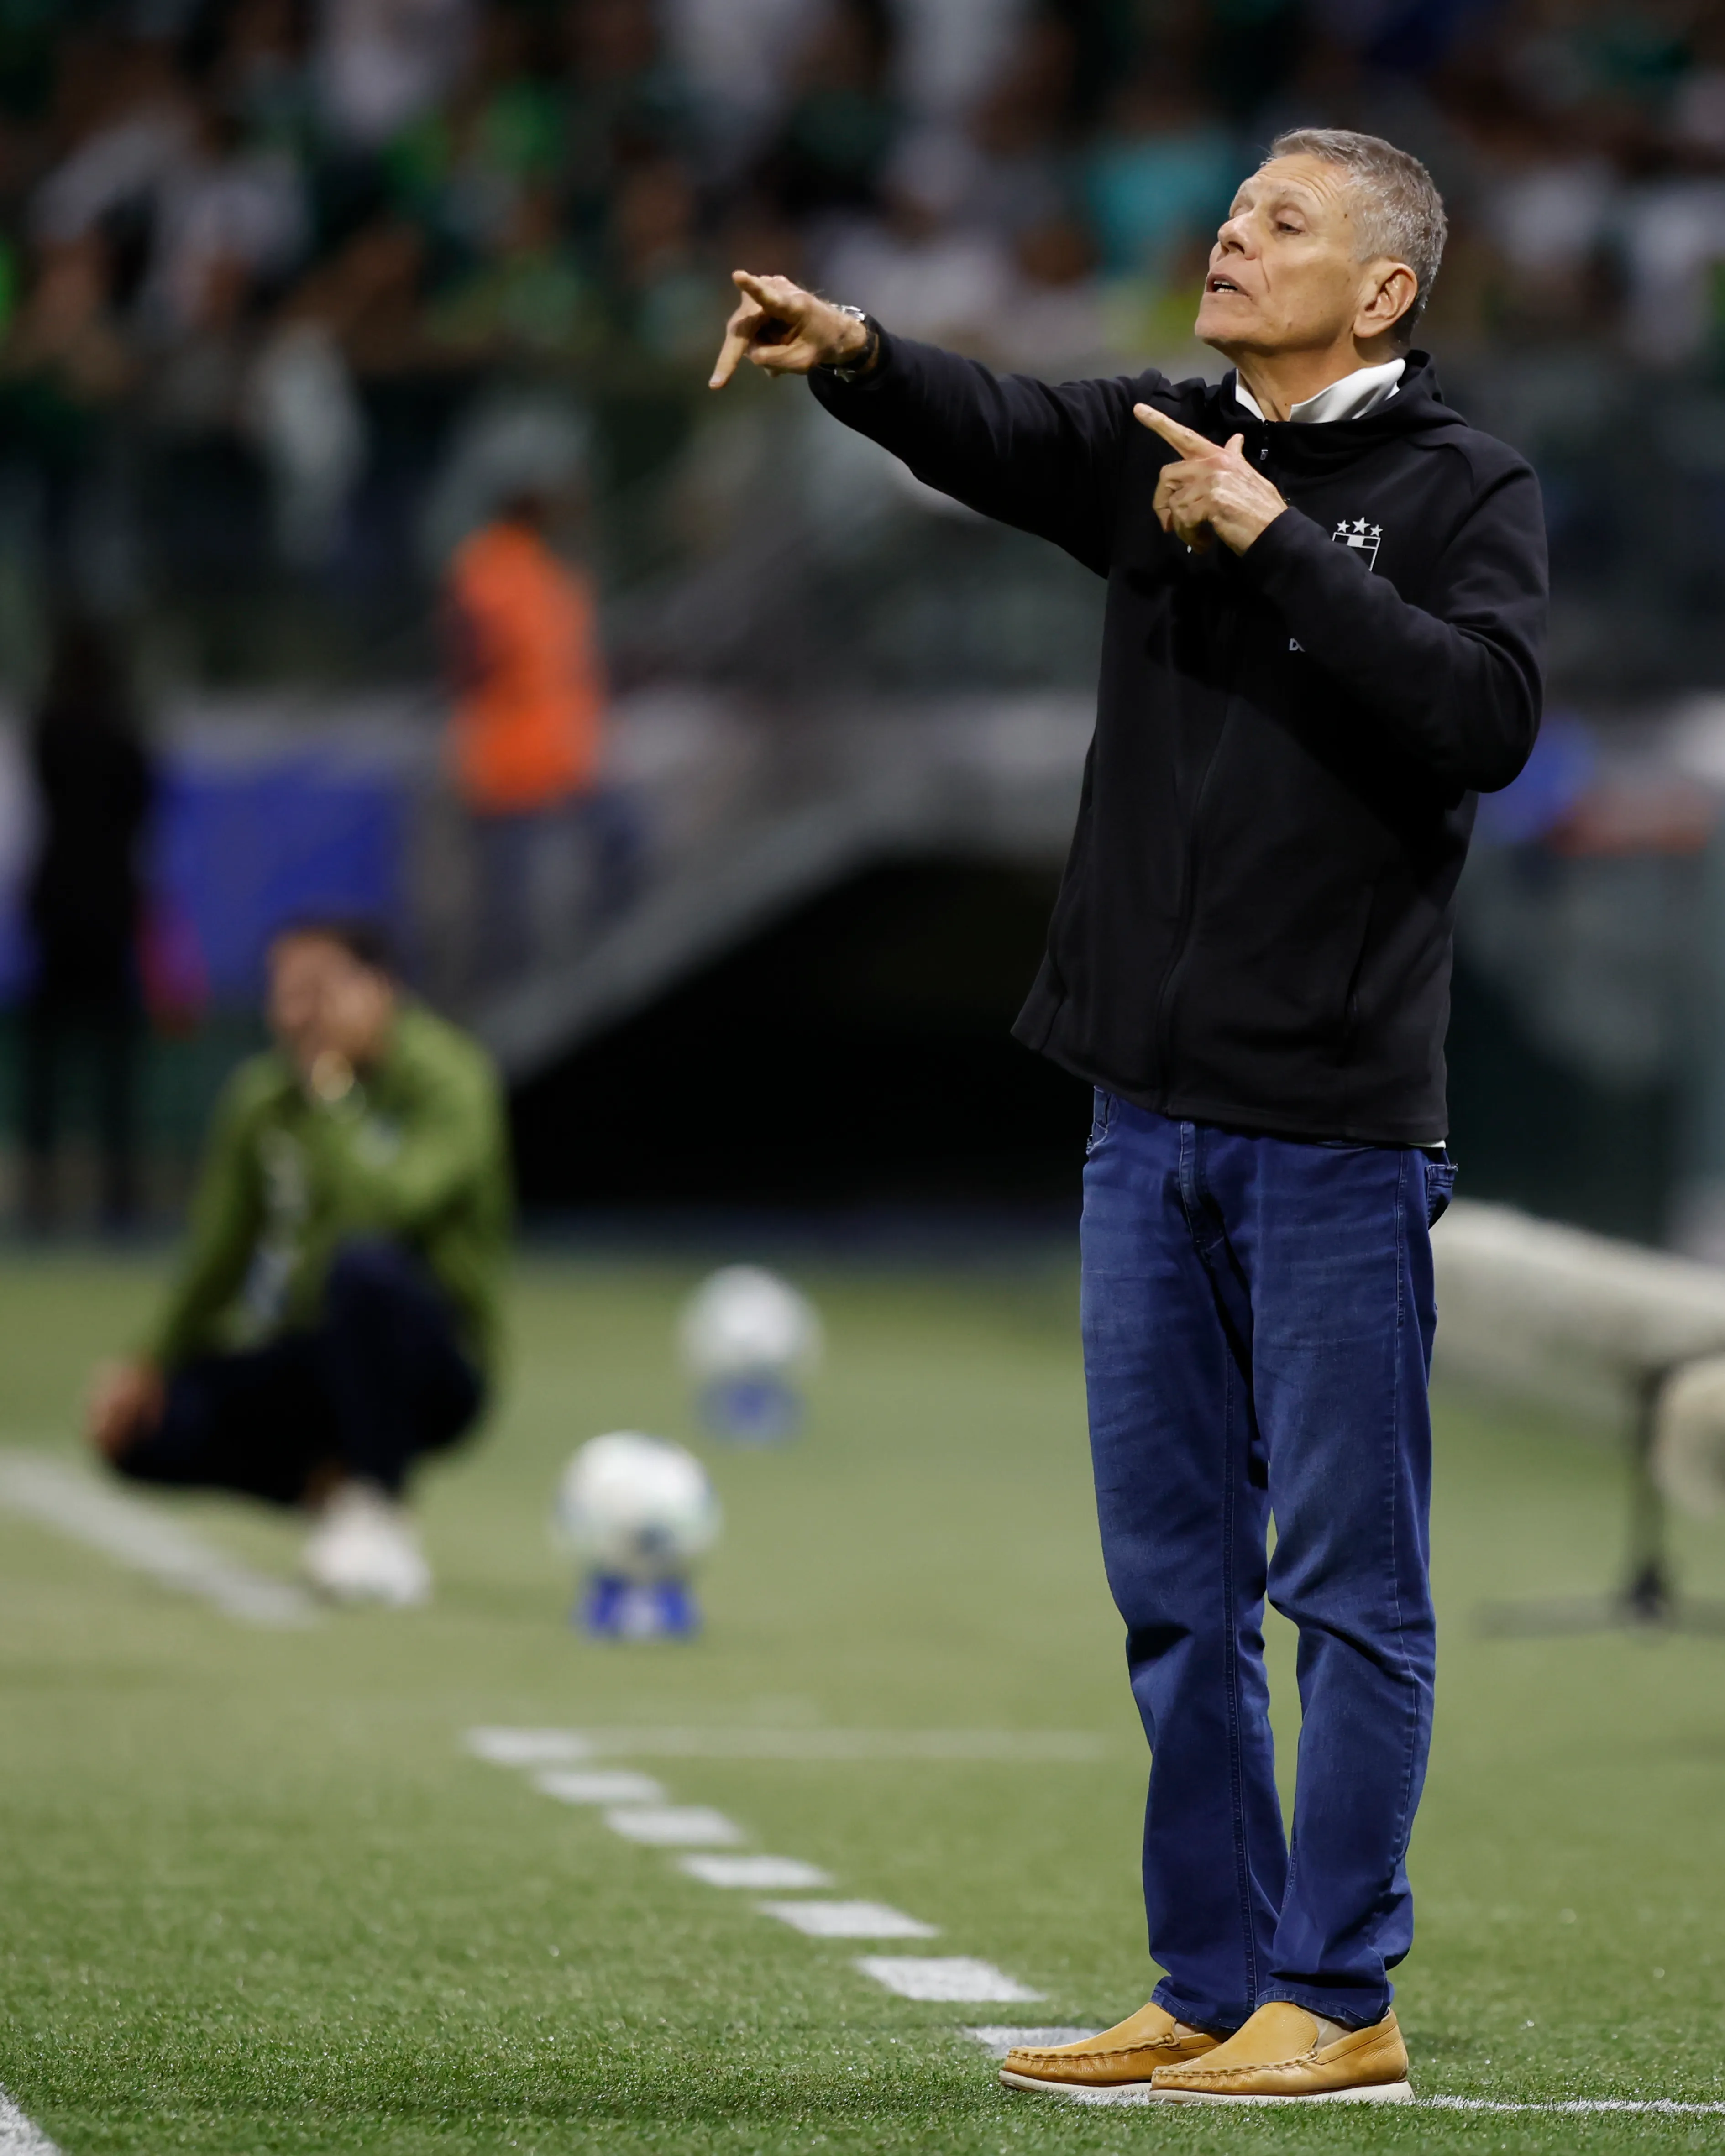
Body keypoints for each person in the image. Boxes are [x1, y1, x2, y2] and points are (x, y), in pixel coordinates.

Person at [711, 128, 1547, 2104]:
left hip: (1334, 1133)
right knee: (1173, 1598)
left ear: (1382, 291)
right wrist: (850, 352)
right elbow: (993, 427)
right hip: (1140, 1122)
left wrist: (1266, 538)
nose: (1230, 236)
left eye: (1281, 221)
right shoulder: (1158, 430)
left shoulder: (1460, 485)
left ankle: (1335, 2001)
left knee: (1345, 1592)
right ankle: (1207, 1978)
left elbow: (1484, 719)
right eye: (1233, 206)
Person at [86, 918, 511, 1607]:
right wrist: (149, 1362)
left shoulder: (450, 1080)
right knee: (145, 1432)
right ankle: (336, 1491)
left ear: (381, 992)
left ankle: (379, 1508)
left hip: (432, 1358)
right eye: (282, 994)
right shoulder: (260, 1099)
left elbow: (391, 1208)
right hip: (314, 1349)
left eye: (317, 992)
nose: (294, 1015)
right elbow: (218, 1253)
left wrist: (334, 1093)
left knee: (365, 1270)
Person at [443, 485, 634, 986]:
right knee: (509, 909)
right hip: (510, 760)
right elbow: (467, 659)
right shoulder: (488, 568)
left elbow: (573, 660)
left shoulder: (552, 569)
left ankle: (596, 964)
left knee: (623, 844)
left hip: (568, 754)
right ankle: (506, 1003)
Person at [21, 612, 155, 1233]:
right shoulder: (123, 735)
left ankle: (44, 1189)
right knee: (109, 1061)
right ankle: (117, 1191)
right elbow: (144, 805)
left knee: (53, 1058)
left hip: (61, 905)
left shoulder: (49, 729)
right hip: (106, 905)